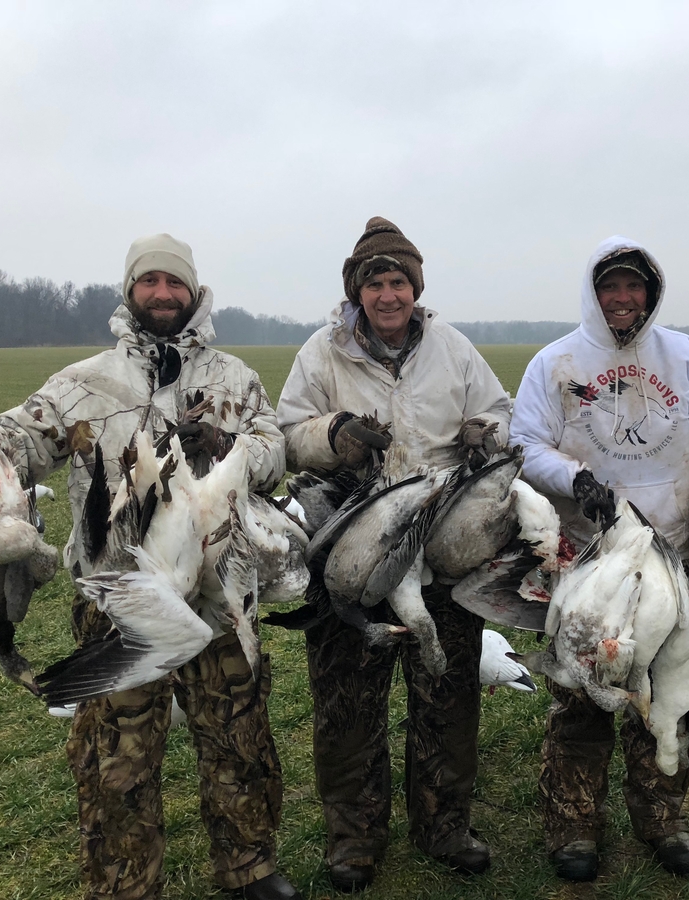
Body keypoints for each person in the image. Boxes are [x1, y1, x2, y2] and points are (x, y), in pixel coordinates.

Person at [0, 234, 301, 900]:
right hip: (121, 601)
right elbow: (14, 443)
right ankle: (125, 884)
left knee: (238, 736)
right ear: (131, 291)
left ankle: (248, 869)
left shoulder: (233, 379)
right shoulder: (84, 383)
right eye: (149, 281)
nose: (162, 294)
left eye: (174, 283)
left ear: (194, 293)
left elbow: (273, 452)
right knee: (116, 760)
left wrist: (227, 442)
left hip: (217, 597)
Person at [274, 216, 512, 892]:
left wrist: (483, 431)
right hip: (350, 554)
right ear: (357, 292)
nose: (387, 294)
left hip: (440, 551)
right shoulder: (322, 353)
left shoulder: (454, 349)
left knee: (448, 695)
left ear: (416, 287)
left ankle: (444, 826)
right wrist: (336, 435)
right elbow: (287, 434)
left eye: (398, 281)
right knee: (346, 705)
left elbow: (503, 412)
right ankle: (355, 838)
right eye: (374, 282)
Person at [508, 235, 689, 881]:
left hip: (671, 547)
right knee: (583, 688)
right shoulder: (556, 361)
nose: (622, 298)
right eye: (610, 286)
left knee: (667, 686)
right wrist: (572, 477)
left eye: (633, 286)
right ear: (593, 292)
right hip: (589, 554)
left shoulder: (684, 356)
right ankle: (573, 826)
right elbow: (525, 440)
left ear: (650, 291)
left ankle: (663, 820)